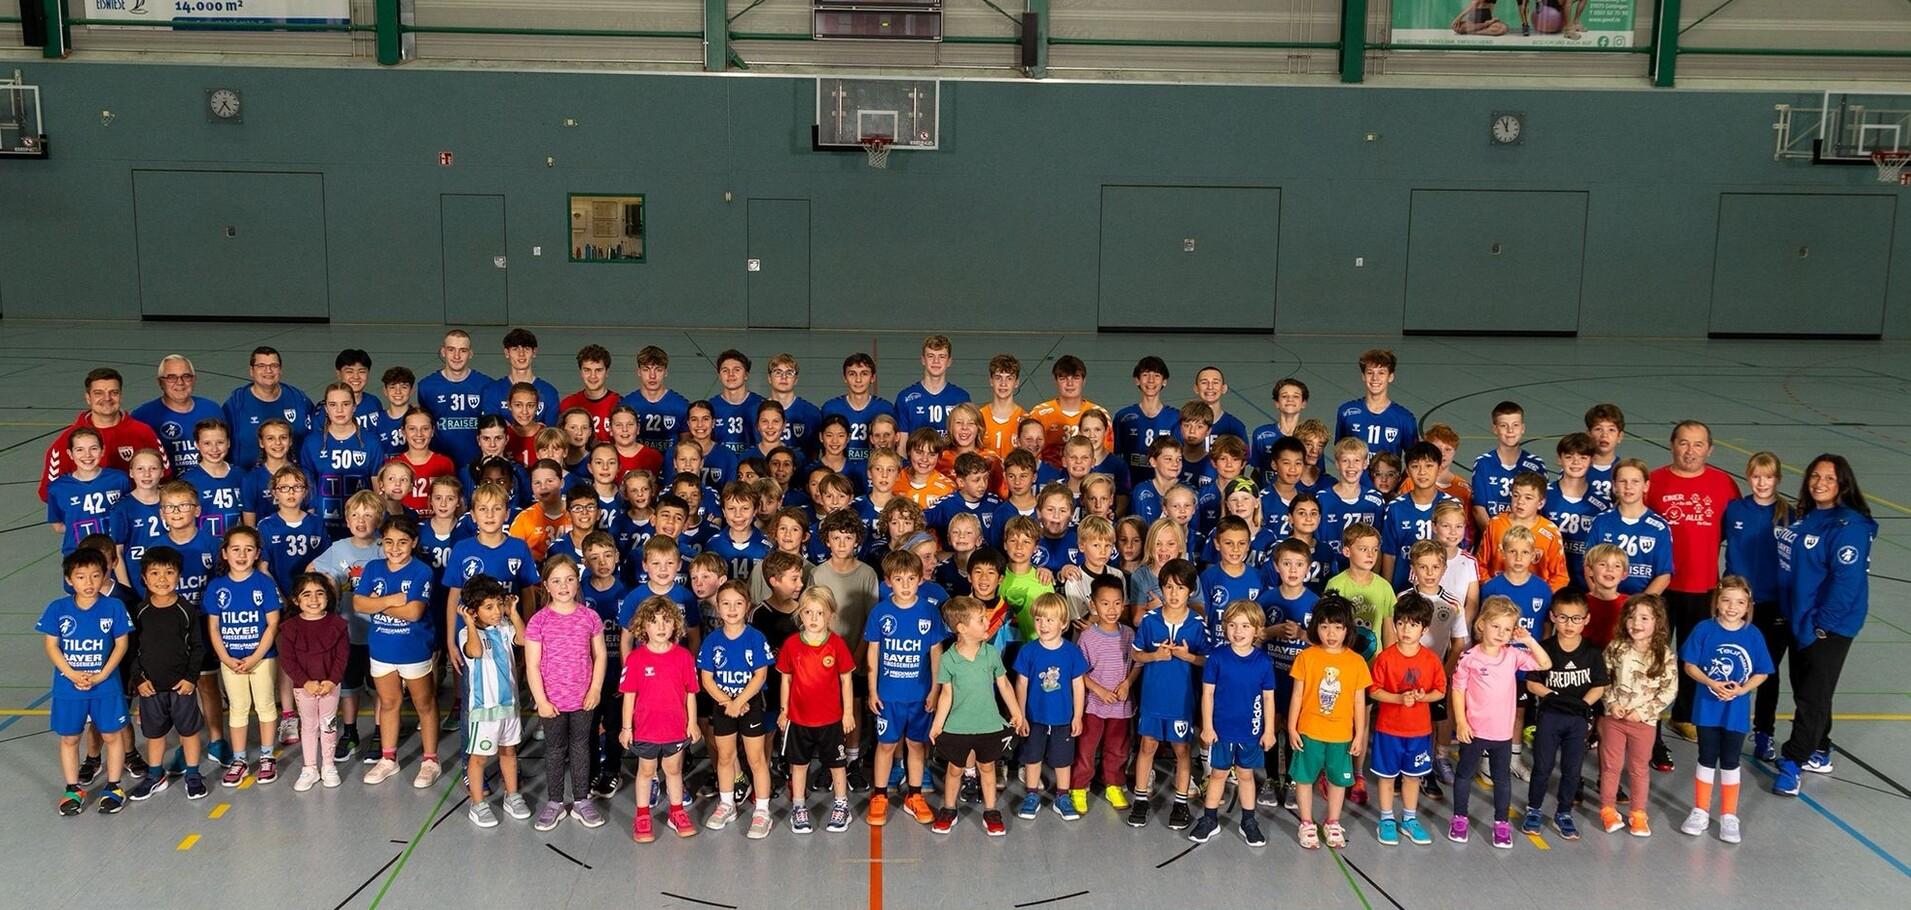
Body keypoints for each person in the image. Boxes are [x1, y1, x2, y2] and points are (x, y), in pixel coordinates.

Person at [1773, 454, 1875, 797]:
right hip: (1801, 619)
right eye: (1815, 476)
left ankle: (1793, 761)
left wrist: (1822, 627)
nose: (1820, 483)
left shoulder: (1850, 526)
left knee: (1813, 695)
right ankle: (1820, 747)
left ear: (1843, 484)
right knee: (1808, 689)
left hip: (1827, 626)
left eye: (1829, 478)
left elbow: (1846, 584)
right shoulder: (1809, 516)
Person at [1647, 420, 1741, 743]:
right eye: (1684, 443)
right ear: (1672, 445)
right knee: (1653, 652)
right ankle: (1648, 714)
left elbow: (1734, 532)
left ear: (1709, 449)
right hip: (1660, 586)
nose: (1690, 451)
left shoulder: (1724, 484)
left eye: (1698, 444)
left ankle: (1683, 715)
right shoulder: (1654, 482)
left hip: (1703, 587)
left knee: (1694, 655)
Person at [1448, 595, 1549, 848]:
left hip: (1502, 733)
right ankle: (1459, 818)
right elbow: (1457, 690)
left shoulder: (1513, 655)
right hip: (1474, 729)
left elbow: (1545, 663)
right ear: (1482, 624)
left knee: (1502, 778)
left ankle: (1501, 823)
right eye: (1496, 626)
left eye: (1507, 629)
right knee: (1464, 774)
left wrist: (1527, 639)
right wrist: (1461, 722)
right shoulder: (1469, 657)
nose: (1501, 633)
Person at [42, 548, 134, 816]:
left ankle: (114, 786)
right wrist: (70, 674)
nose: (89, 583)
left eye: (95, 576)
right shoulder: (57, 609)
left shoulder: (114, 607)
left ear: (105, 575)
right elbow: (51, 646)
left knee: (111, 735)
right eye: (81, 577)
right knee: (70, 738)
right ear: (70, 580)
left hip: (105, 686)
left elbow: (121, 644)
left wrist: (103, 674)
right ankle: (73, 789)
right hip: (68, 687)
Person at [1679, 576, 1771, 844]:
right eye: (1726, 600)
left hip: (1736, 710)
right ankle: (1700, 811)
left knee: (1730, 761)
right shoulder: (1704, 629)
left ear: (1748, 606)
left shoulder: (1753, 635)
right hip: (1707, 707)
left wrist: (1741, 690)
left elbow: (1762, 672)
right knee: (1706, 757)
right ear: (1717, 602)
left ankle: (1729, 815)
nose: (1732, 607)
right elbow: (1689, 665)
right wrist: (1711, 682)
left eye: (1740, 602)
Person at [354, 515, 441, 788]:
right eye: (389, 542)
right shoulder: (373, 568)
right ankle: (389, 759)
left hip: (413, 649)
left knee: (424, 704)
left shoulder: (421, 571)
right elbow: (358, 603)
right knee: (389, 703)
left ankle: (430, 760)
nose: (395, 548)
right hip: (382, 648)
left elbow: (414, 612)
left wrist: (376, 603)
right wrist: (391, 601)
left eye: (402, 542)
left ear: (413, 542)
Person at [525, 555, 609, 830]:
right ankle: (555, 802)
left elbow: (600, 655)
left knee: (582, 747)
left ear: (577, 582)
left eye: (569, 579)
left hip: (583, 698)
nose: (563, 586)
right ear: (546, 585)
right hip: (552, 702)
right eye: (557, 581)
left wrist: (595, 688)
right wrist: (541, 701)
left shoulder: (589, 617)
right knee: (554, 749)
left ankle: (582, 800)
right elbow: (532, 664)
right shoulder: (538, 621)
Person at [863, 549, 946, 826]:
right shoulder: (880, 612)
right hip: (889, 695)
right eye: (900, 579)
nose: (906, 585)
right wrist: (873, 691)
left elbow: (936, 652)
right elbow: (873, 653)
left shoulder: (929, 612)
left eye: (911, 578)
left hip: (920, 694)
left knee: (915, 744)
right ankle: (880, 795)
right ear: (889, 582)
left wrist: (934, 689)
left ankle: (914, 795)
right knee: (886, 745)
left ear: (920, 579)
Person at [929, 595, 1024, 837]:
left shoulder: (991, 653)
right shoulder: (949, 658)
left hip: (989, 724)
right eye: (981, 620)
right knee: (954, 769)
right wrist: (938, 725)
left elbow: (1004, 685)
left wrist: (1016, 712)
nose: (987, 622)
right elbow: (946, 695)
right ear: (961, 629)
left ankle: (991, 811)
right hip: (958, 726)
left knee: (987, 767)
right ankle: (949, 809)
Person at [1189, 600, 1279, 846]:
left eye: (1245, 626)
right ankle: (1209, 819)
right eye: (1232, 625)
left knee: (1245, 775)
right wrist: (1207, 726)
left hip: (1250, 730)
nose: (1238, 631)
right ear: (1225, 627)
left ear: (1257, 629)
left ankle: (1248, 821)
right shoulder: (1217, 658)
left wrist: (1269, 730)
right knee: (1218, 774)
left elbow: (1268, 698)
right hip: (1221, 730)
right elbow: (1207, 694)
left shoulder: (1263, 662)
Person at [1521, 590, 1608, 840]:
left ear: (1586, 619)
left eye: (1576, 618)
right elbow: (1532, 683)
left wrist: (1583, 704)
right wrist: (1551, 696)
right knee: (1543, 766)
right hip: (1549, 717)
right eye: (1563, 617)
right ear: (1553, 617)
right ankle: (1534, 809)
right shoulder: (1544, 649)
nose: (1569, 624)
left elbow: (1600, 684)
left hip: (1577, 720)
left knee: (1572, 768)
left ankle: (1564, 813)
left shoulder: (1592, 652)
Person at [1128, 558, 1207, 830]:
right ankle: (1140, 799)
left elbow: (1207, 661)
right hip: (1153, 696)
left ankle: (1181, 803)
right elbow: (1135, 653)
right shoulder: (1150, 621)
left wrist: (1188, 656)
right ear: (1161, 589)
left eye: (1180, 588)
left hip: (1182, 698)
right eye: (1169, 587)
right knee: (1147, 745)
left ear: (1191, 591)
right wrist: (1155, 655)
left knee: (1182, 749)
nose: (1174, 594)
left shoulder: (1197, 623)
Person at [1287, 594, 1369, 850]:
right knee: (1304, 778)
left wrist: (1358, 735)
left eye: (1337, 627)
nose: (1331, 633)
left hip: (1341, 734)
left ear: (1347, 629)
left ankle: (1333, 821)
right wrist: (1291, 727)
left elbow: (1359, 703)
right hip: (1310, 730)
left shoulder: (1356, 662)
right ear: (1316, 628)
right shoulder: (1307, 657)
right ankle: (1307, 822)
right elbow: (1298, 695)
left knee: (1337, 780)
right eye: (1324, 626)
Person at [204, 526, 283, 787]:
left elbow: (273, 624)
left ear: (257, 553)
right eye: (235, 549)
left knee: (265, 705)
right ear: (225, 553)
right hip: (231, 660)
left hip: (261, 658)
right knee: (237, 708)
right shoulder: (217, 587)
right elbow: (214, 627)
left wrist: (256, 657)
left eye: (248, 549)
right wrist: (225, 658)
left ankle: (267, 756)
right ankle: (239, 760)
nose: (242, 554)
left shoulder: (264, 584)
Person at [697, 580, 776, 838]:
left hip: (750, 704)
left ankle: (762, 811)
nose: (732, 609)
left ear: (747, 606)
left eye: (738, 603)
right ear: (718, 608)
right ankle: (727, 804)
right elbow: (707, 679)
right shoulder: (712, 640)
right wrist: (727, 703)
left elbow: (760, 675)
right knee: (725, 757)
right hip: (723, 705)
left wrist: (740, 702)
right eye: (726, 604)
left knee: (756, 759)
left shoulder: (755, 637)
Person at [1367, 593, 1447, 847]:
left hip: (1419, 731)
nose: (1405, 629)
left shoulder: (1431, 660)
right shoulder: (1386, 658)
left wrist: (1423, 697)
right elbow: (1374, 690)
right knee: (1387, 777)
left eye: (1412, 624)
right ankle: (1387, 818)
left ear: (1424, 628)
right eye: (1401, 623)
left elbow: (1440, 691)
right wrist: (1398, 699)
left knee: (1413, 777)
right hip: (1388, 730)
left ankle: (1410, 819)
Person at [620, 595, 701, 842]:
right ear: (643, 627)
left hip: (675, 728)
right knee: (646, 771)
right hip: (645, 729)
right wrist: (626, 728)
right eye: (654, 622)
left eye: (666, 621)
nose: (661, 627)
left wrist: (692, 722)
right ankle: (642, 815)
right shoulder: (636, 659)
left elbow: (690, 693)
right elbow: (629, 696)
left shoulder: (683, 657)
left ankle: (676, 812)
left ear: (675, 625)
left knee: (673, 769)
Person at [1724, 452, 1789, 761]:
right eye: (1756, 476)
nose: (1762, 482)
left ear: (1777, 479)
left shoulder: (1789, 515)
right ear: (1748, 477)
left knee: (1767, 672)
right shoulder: (1735, 509)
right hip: (1736, 604)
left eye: (1769, 476)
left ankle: (1764, 732)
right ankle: (1726, 725)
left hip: (1773, 604)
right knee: (1728, 664)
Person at [777, 586, 857, 834]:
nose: (813, 618)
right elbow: (786, 680)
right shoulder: (791, 645)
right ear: (800, 614)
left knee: (836, 763)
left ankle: (842, 805)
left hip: (831, 719)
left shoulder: (837, 644)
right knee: (798, 765)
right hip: (799, 719)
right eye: (808, 612)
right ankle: (799, 807)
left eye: (819, 613)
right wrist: (783, 711)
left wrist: (848, 713)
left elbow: (846, 679)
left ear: (830, 615)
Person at [1599, 593, 1678, 836]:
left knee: (1638, 768)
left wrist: (1643, 712)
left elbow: (1669, 689)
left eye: (1644, 618)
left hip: (1643, 723)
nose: (1637, 623)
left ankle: (1638, 813)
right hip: (1614, 720)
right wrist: (1611, 703)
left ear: (1657, 622)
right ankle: (1608, 810)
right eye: (1632, 617)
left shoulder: (1664, 655)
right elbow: (1603, 679)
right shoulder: (1616, 648)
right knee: (1611, 766)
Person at [459, 575, 532, 828]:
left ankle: (512, 796)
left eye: (499, 604)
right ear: (473, 611)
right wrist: (469, 624)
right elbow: (476, 652)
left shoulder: (505, 627)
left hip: (509, 706)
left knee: (509, 752)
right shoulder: (465, 634)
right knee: (478, 758)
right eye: (489, 607)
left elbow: (524, 640)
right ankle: (478, 804)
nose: (496, 611)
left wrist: (513, 613)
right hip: (485, 710)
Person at [1011, 593, 1089, 822]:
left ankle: (1062, 796)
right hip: (1035, 718)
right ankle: (1032, 794)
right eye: (1039, 619)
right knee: (1032, 757)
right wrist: (1021, 714)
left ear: (1064, 624)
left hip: (1063, 718)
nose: (1043, 625)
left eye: (1050, 620)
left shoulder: (1072, 652)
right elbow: (1021, 684)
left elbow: (1078, 686)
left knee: (1063, 759)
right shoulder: (1028, 651)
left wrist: (1078, 716)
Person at [40, 368, 166, 502]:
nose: (107, 398)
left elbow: (165, 479)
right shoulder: (67, 440)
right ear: (88, 398)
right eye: (98, 393)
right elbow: (49, 492)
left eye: (114, 392)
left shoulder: (143, 432)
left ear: (120, 395)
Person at [1068, 574, 1136, 816]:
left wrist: (1127, 684)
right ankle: (1078, 786)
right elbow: (1078, 673)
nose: (1112, 609)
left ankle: (1114, 784)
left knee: (1117, 748)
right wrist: (1099, 690)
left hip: (1120, 705)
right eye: (1105, 603)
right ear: (1093, 604)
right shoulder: (1088, 637)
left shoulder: (1128, 634)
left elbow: (1136, 664)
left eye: (1117, 603)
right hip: (1093, 705)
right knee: (1086, 748)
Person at [277, 573, 348, 792]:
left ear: (328, 597)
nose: (314, 599)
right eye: (306, 594)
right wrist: (305, 682)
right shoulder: (289, 628)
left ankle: (328, 766)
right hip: (303, 687)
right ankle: (309, 768)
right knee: (308, 726)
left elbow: (342, 656)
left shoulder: (338, 624)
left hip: (330, 686)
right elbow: (288, 660)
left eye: (320, 593)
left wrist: (331, 681)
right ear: (296, 601)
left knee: (328, 724)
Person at [45, 427, 130, 555]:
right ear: (70, 454)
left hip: (114, 553)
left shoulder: (119, 479)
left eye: (94, 448)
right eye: (80, 450)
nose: (87, 455)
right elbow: (58, 526)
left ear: (103, 451)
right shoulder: (58, 488)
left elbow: (129, 513)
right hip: (78, 555)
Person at [224, 347, 313, 468]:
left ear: (280, 370)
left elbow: (316, 435)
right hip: (248, 478)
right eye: (261, 366)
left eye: (274, 365)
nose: (268, 370)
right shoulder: (235, 404)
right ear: (251, 371)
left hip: (292, 481)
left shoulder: (298, 399)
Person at [133, 355, 224, 471]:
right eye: (171, 377)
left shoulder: (212, 410)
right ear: (160, 382)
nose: (180, 382)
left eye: (186, 376)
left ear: (194, 379)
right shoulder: (143, 416)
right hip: (166, 487)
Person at [1469, 401, 1546, 531]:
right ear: (1495, 429)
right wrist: (1495, 536)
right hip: (1492, 537)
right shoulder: (1483, 463)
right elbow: (1478, 508)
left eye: (1515, 425)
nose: (1510, 430)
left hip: (1523, 541)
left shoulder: (1536, 465)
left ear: (1523, 428)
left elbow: (1540, 507)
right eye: (1504, 425)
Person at [1334, 349, 1417, 457]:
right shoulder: (1346, 412)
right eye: (1370, 372)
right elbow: (1340, 453)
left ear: (1391, 377)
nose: (1375, 378)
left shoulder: (1405, 418)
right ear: (1363, 376)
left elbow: (1415, 459)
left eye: (1381, 373)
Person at [1116, 356, 1179, 488]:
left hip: (1165, 489)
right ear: (1137, 380)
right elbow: (1115, 456)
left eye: (1156, 375)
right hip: (1130, 487)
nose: (1151, 380)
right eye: (1145, 375)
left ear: (1164, 381)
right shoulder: (1124, 417)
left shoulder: (1175, 417)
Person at [896, 335, 970, 433]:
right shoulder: (906, 397)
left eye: (942, 356)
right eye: (931, 356)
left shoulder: (961, 397)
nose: (936, 361)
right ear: (923, 360)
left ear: (949, 361)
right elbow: (902, 444)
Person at [1250, 377, 1309, 476]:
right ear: (1277, 403)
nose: (1290, 399)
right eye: (1284, 396)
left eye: (1296, 396)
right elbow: (1257, 470)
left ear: (1303, 403)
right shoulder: (1261, 435)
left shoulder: (1311, 437)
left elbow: (1316, 472)